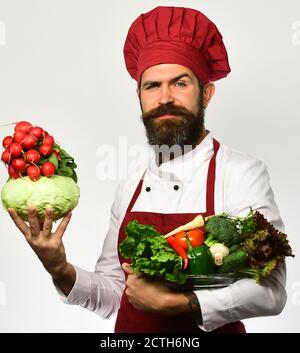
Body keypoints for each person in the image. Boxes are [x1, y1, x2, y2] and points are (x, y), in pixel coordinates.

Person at [8, 6, 287, 333]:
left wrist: (180, 304)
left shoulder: (241, 172)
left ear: (206, 94)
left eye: (180, 83)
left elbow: (273, 290)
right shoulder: (132, 183)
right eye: (152, 86)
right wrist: (59, 268)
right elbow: (115, 293)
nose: (165, 98)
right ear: (139, 95)